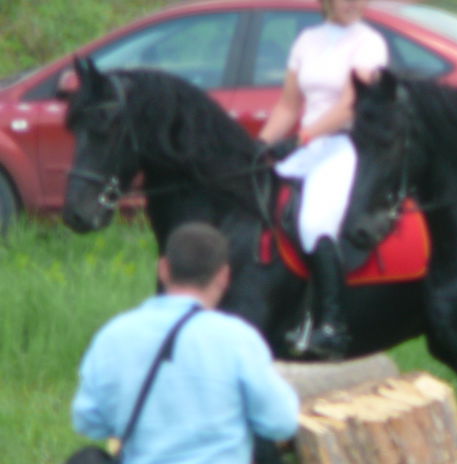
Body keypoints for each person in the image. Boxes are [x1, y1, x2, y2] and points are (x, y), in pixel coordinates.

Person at [72, 222, 299, 463]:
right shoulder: (238, 339)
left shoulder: (114, 336)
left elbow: (87, 420)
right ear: (223, 276)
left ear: (163, 269)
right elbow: (281, 422)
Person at [258, 0, 388, 357]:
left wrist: (302, 137)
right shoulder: (307, 40)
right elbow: (288, 106)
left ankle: (333, 325)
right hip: (309, 146)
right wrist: (259, 147)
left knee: (315, 222)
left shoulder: (369, 43)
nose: (353, 3)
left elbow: (350, 105)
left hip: (345, 146)